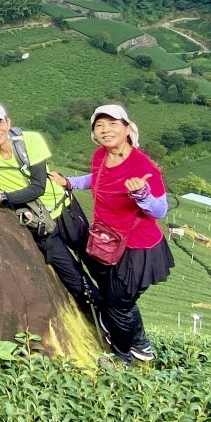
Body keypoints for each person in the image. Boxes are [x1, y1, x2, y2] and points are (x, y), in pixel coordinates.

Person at [0, 101, 101, 314]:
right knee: (74, 279)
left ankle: (126, 328)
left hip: (64, 212)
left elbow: (38, 187)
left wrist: (1, 198)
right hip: (39, 223)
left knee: (98, 266)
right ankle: (102, 323)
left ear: (8, 122)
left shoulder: (30, 141)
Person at [50, 104, 174, 365]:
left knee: (118, 302)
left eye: (112, 124)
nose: (105, 130)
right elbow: (96, 179)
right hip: (108, 241)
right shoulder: (100, 156)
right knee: (120, 298)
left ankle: (122, 358)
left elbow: (160, 209)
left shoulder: (142, 165)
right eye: (99, 125)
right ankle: (141, 346)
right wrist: (70, 182)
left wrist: (142, 195)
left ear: (127, 129)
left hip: (138, 248)